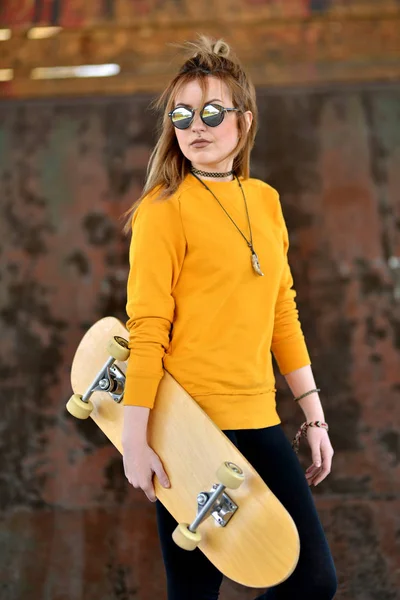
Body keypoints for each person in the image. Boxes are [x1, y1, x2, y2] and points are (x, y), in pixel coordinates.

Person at [121, 34, 337, 600]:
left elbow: (282, 313)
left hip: (258, 415)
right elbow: (146, 328)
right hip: (185, 428)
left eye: (212, 111)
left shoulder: (265, 200)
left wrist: (314, 418)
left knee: (311, 580)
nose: (196, 125)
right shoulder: (162, 211)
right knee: (194, 593)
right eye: (183, 114)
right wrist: (134, 437)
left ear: (243, 121)